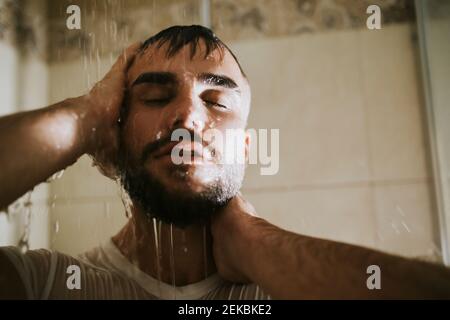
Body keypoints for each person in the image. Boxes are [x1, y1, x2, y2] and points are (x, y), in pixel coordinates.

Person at [0, 25, 450, 300]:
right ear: (113, 138)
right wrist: (86, 117)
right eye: (156, 97)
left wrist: (251, 239)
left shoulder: (277, 288)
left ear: (247, 150)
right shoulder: (46, 285)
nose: (188, 117)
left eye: (216, 101)